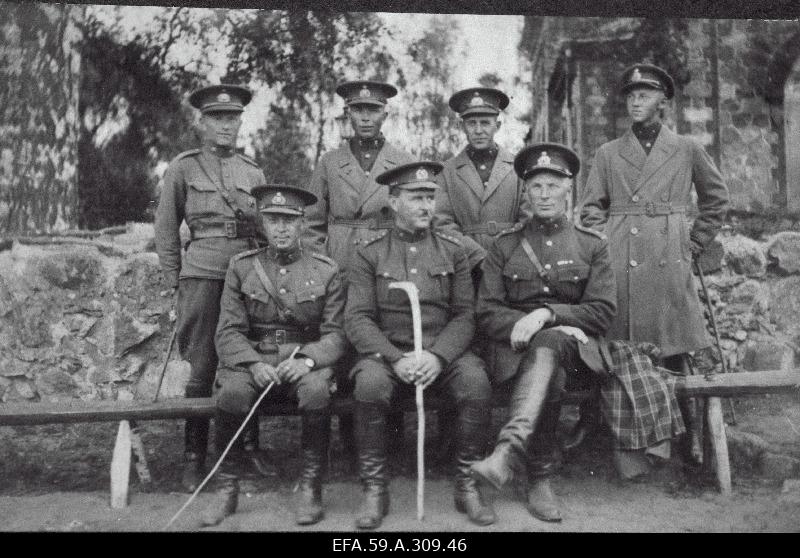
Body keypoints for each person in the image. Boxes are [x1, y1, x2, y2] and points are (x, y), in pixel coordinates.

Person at [578, 63, 730, 470]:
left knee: (671, 349)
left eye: (644, 95)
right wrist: (606, 245)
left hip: (669, 255)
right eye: (630, 95)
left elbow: (716, 199)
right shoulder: (608, 153)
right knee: (621, 348)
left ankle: (683, 439)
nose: (635, 102)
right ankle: (621, 440)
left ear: (662, 102)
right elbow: (590, 209)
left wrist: (693, 243)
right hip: (621, 258)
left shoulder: (686, 148)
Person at [345, 162, 495, 529]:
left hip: (441, 352)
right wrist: (395, 358)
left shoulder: (454, 250)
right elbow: (358, 318)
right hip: (388, 354)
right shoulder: (369, 253)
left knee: (475, 382)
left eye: (430, 198)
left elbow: (465, 315)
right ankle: (375, 489)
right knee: (369, 384)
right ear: (394, 202)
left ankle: (467, 484)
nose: (426, 206)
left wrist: (438, 356)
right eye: (416, 198)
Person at [470, 143, 616, 523]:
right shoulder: (504, 246)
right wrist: (524, 326)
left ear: (569, 188)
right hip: (514, 352)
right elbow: (486, 310)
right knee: (551, 368)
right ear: (526, 192)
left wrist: (546, 315)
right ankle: (538, 477)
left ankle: (507, 452)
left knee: (551, 345)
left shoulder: (591, 244)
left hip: (577, 352)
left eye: (553, 185)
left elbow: (602, 310)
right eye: (536, 186)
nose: (545, 194)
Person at [201, 185, 346, 527]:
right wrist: (253, 363)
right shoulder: (241, 267)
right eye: (273, 220)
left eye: (289, 221)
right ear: (262, 224)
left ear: (302, 224)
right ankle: (227, 489)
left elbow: (336, 334)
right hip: (255, 358)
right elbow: (228, 331)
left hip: (303, 360)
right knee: (232, 393)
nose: (281, 228)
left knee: (316, 391)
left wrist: (307, 361)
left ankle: (310, 488)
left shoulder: (325, 270)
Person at [154, 84, 275, 492]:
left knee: (248, 356)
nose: (226, 125)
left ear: (240, 123)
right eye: (217, 118)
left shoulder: (253, 172)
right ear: (202, 122)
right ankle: (194, 457)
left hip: (246, 277)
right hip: (202, 274)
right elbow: (166, 229)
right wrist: (176, 281)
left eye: (232, 118)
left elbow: (266, 230)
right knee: (202, 365)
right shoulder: (184, 168)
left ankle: (248, 447)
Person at [303, 80, 415, 276]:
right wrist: (323, 267)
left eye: (373, 110)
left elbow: (415, 221)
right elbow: (311, 224)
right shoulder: (330, 162)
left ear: (385, 115)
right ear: (348, 114)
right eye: (357, 110)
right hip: (341, 264)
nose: (365, 118)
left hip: (388, 263)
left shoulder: (404, 162)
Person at [435, 87, 527, 284]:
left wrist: (504, 257)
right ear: (462, 126)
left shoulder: (518, 167)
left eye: (485, 123)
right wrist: (479, 258)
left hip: (512, 266)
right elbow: (442, 223)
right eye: (471, 123)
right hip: (466, 267)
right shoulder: (447, 171)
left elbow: (528, 219)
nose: (478, 130)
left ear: (497, 125)